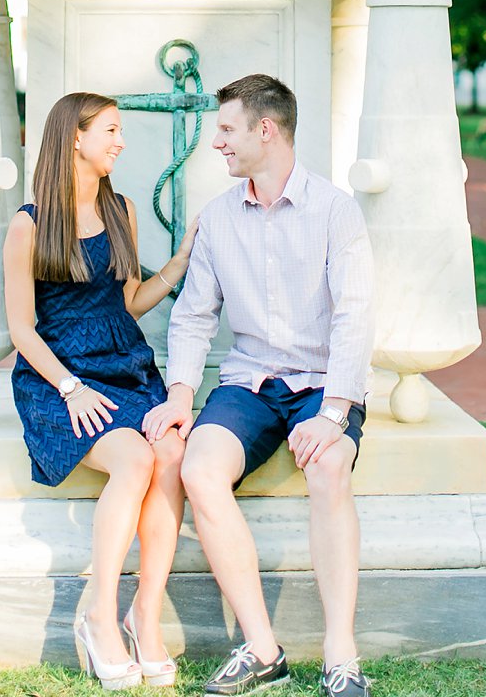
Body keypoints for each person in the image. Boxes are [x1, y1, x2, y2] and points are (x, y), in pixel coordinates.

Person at [142, 73, 375, 697]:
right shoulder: (218, 218)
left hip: (324, 386)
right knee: (198, 470)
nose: (216, 142)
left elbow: (355, 316)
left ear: (264, 130)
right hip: (249, 383)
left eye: (225, 129)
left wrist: (333, 413)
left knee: (329, 470)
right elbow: (194, 316)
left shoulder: (335, 211)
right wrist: (181, 395)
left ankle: (340, 652)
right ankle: (263, 648)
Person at [4, 91, 196, 690]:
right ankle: (99, 615)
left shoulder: (123, 212)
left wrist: (181, 261)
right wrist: (68, 387)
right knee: (135, 457)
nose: (119, 140)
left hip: (125, 368)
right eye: (110, 130)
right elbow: (20, 329)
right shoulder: (28, 225)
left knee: (169, 453)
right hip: (57, 380)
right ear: (75, 138)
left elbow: (129, 299)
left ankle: (146, 612)